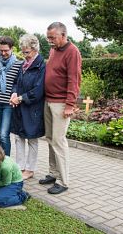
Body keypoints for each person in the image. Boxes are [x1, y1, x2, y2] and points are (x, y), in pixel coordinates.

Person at [39, 22, 82, 194]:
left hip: (61, 103)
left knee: (59, 141)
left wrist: (70, 105)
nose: (49, 41)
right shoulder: (54, 49)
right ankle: (53, 173)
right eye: (48, 37)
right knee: (50, 139)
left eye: (52, 37)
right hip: (49, 101)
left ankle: (63, 182)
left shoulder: (73, 52)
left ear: (63, 35)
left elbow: (74, 79)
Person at [10, 34, 46, 180]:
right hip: (19, 106)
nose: (24, 55)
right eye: (23, 52)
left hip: (32, 108)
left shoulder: (41, 65)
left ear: (35, 49)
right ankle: (20, 167)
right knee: (18, 137)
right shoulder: (23, 64)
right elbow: (15, 83)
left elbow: (38, 90)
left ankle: (30, 170)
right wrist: (13, 94)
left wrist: (21, 98)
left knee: (32, 139)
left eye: (27, 52)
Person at [0, 36, 21, 156]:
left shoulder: (18, 64)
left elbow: (19, 83)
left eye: (6, 51)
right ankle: (0, 158)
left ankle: (6, 161)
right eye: (1, 50)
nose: (3, 53)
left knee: (4, 134)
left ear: (12, 49)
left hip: (8, 104)